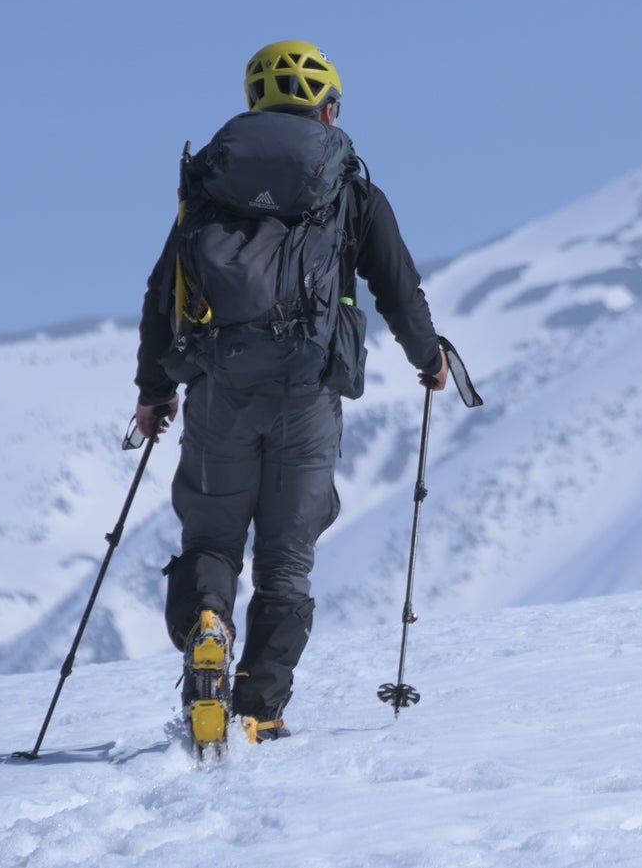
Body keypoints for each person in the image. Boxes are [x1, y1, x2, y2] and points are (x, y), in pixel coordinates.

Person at [131, 39, 448, 746]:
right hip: (308, 393)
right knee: (287, 557)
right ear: (327, 108)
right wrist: (429, 358)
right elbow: (397, 284)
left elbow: (164, 293)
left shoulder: (210, 181)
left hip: (220, 390)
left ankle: (208, 622)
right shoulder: (349, 186)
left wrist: (155, 391)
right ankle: (258, 708)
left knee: (211, 537)